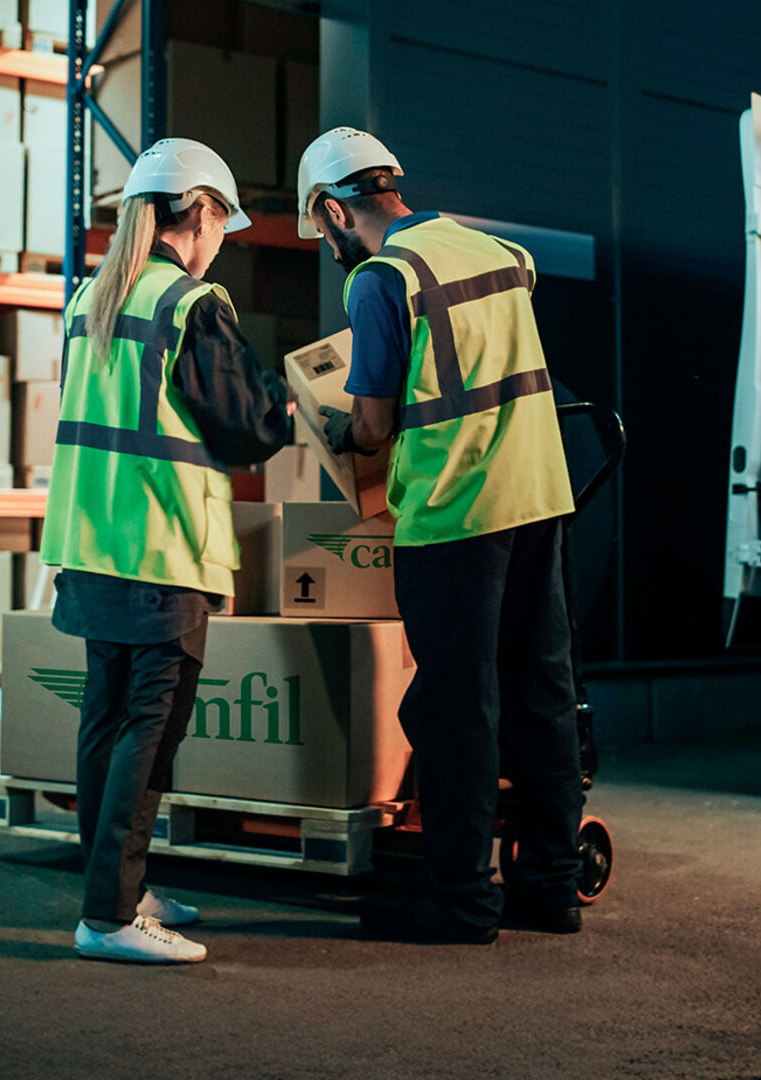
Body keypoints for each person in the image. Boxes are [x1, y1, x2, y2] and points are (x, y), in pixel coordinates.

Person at [295, 127, 585, 944]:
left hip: (457, 516)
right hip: (539, 498)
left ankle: (460, 902)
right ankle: (551, 889)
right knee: (544, 696)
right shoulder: (499, 252)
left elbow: (377, 421)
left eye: (319, 226)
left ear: (330, 211)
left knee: (458, 710)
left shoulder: (382, 281)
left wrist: (335, 432)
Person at [40, 138, 291, 964]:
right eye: (224, 221)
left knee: (106, 725)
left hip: (90, 545)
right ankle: (109, 917)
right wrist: (292, 406)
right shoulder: (190, 303)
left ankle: (115, 888)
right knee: (148, 732)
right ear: (202, 212)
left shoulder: (93, 298)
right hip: (160, 554)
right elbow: (243, 428)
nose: (224, 238)